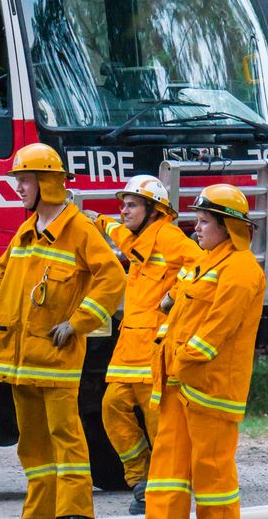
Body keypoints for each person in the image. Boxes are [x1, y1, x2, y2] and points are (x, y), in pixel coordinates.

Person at [0, 143, 126, 519]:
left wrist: (78, 322)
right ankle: (39, 513)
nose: (19, 188)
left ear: (48, 183)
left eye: (25, 180)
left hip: (55, 358)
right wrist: (2, 299)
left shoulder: (78, 229)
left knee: (66, 438)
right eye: (18, 180)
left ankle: (75, 512)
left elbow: (112, 278)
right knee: (32, 447)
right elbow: (1, 272)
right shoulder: (27, 230)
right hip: (20, 361)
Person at [82, 175, 203, 515]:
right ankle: (141, 480)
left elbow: (200, 266)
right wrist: (99, 220)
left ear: (153, 210)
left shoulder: (167, 235)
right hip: (128, 347)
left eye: (131, 205)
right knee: (111, 408)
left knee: (158, 422)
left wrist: (173, 298)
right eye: (122, 205)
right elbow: (119, 232)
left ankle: (162, 489)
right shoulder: (137, 236)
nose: (124, 211)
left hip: (153, 347)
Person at [145, 184, 265, 519]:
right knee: (167, 474)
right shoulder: (206, 263)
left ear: (228, 226)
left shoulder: (240, 270)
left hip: (210, 391)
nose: (195, 228)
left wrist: (182, 360)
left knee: (213, 477)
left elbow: (216, 332)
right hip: (178, 386)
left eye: (203, 221)